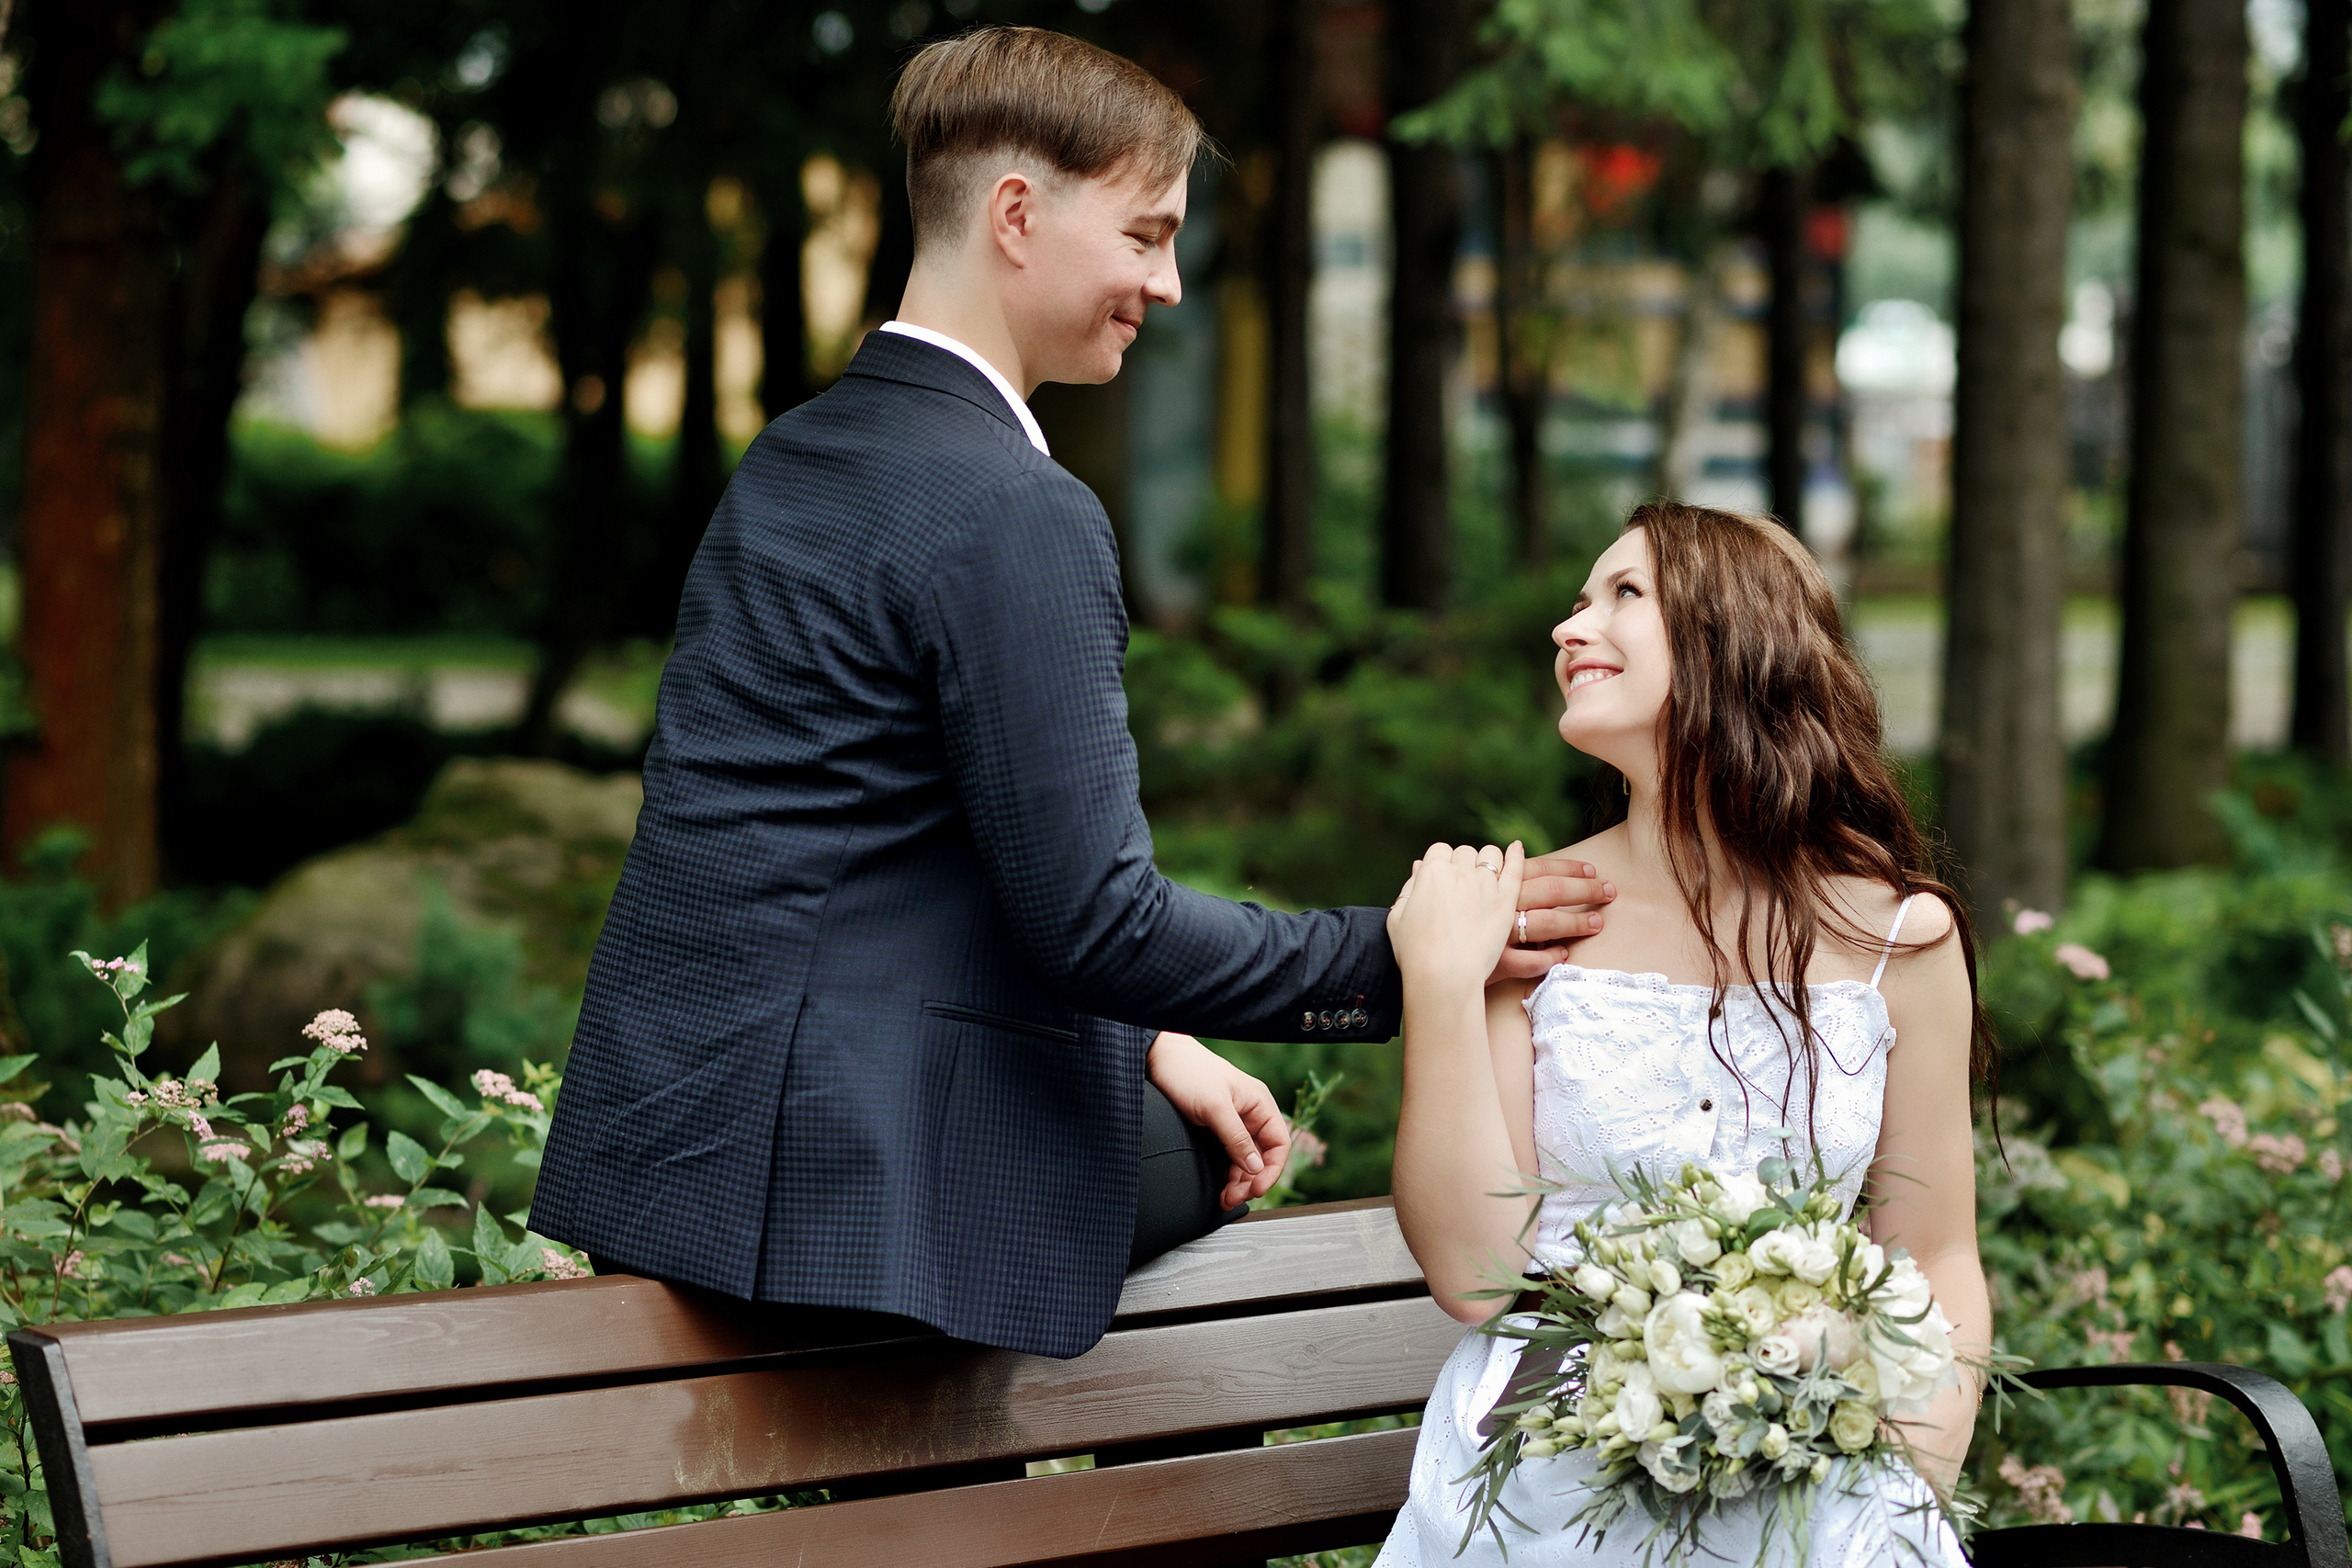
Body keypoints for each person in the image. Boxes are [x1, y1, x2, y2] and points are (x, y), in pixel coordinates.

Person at [529, 27, 1605, 1361]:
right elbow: (1097, 919)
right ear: (1018, 214)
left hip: (671, 1139)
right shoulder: (1015, 507)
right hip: (835, 1184)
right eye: (1146, 236)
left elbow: (881, 836)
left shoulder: (797, 454)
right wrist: (1409, 959)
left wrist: (1148, 1036)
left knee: (1173, 1101)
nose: (1164, 284)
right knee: (1231, 1151)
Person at [1375, 502, 1991, 1564]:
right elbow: (1476, 1273)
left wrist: (1906, 1499)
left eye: (1621, 596)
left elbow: (1932, 1253)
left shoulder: (1898, 935)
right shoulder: (1534, 916)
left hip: (1822, 1485)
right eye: (1575, 602)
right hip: (1544, 1495)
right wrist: (1437, 978)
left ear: (1733, 635)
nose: (1570, 629)